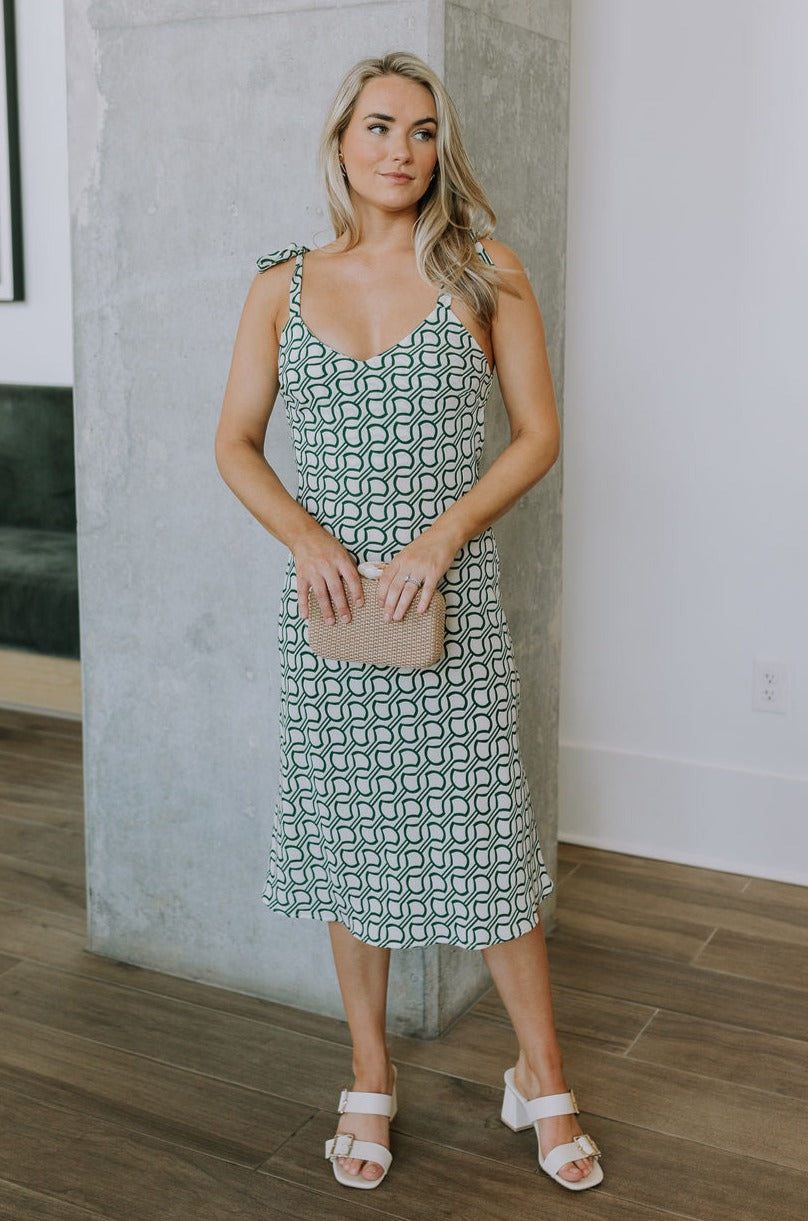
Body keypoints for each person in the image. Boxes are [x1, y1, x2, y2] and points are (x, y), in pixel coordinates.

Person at [215, 51, 603, 1194]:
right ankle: (368, 1074)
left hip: (450, 611)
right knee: (354, 848)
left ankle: (542, 1073)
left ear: (441, 150)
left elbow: (536, 432)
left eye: (424, 131)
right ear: (341, 142)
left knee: (486, 847)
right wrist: (307, 538)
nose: (402, 149)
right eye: (380, 126)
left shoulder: (487, 271)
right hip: (332, 617)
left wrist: (439, 539)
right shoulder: (280, 285)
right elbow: (234, 441)